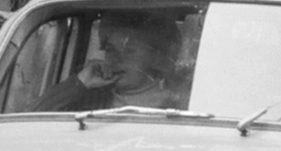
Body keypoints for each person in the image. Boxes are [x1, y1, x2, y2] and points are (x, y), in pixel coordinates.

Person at [40, 11, 184, 112]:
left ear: (156, 57)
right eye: (110, 50)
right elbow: (28, 121)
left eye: (129, 50)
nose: (116, 59)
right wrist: (81, 81)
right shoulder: (90, 99)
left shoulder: (178, 104)